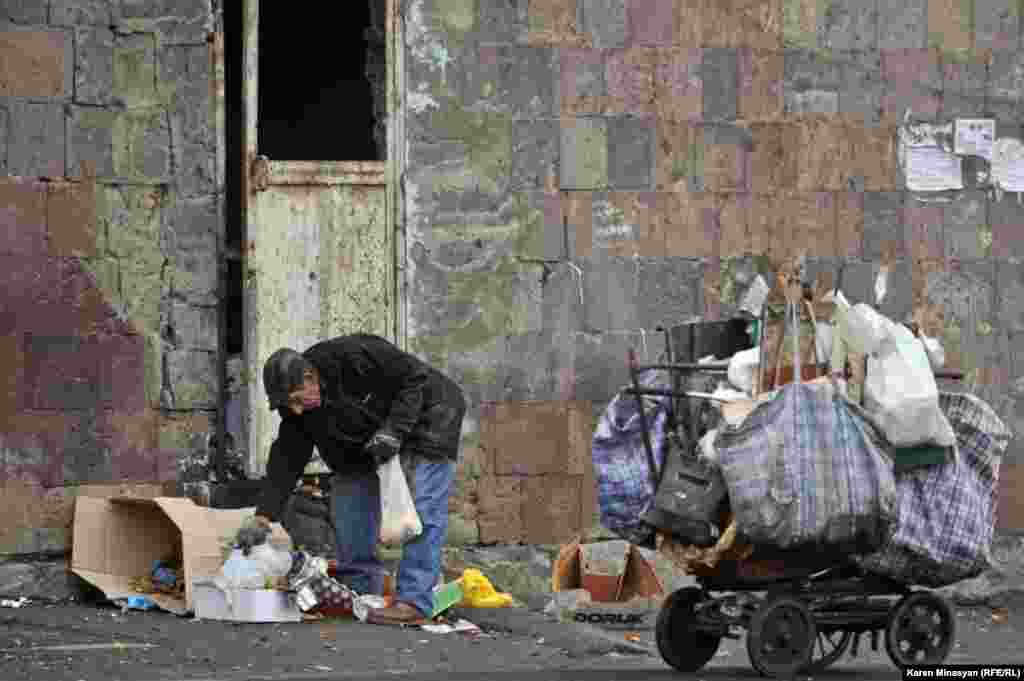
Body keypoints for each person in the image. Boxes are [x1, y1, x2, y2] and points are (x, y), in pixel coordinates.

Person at [251, 333, 466, 626]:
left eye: (297, 400)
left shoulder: (353, 354)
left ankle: (414, 603)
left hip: (430, 418)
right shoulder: (298, 410)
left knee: (424, 505)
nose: (297, 410)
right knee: (349, 499)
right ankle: (361, 592)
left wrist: (394, 430)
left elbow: (415, 377)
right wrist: (263, 517)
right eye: (289, 405)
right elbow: (287, 458)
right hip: (366, 441)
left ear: (310, 377)